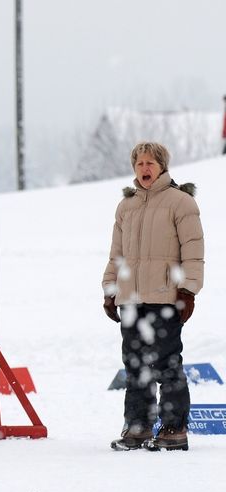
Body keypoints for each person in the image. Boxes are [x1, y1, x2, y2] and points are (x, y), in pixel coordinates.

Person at [103, 142, 204, 452]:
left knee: (166, 364)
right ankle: (137, 426)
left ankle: (173, 429)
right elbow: (116, 254)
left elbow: (194, 250)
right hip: (131, 298)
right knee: (135, 365)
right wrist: (110, 290)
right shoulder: (127, 206)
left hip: (165, 297)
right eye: (139, 163)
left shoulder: (180, 202)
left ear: (162, 166)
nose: (145, 169)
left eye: (150, 163)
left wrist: (188, 291)